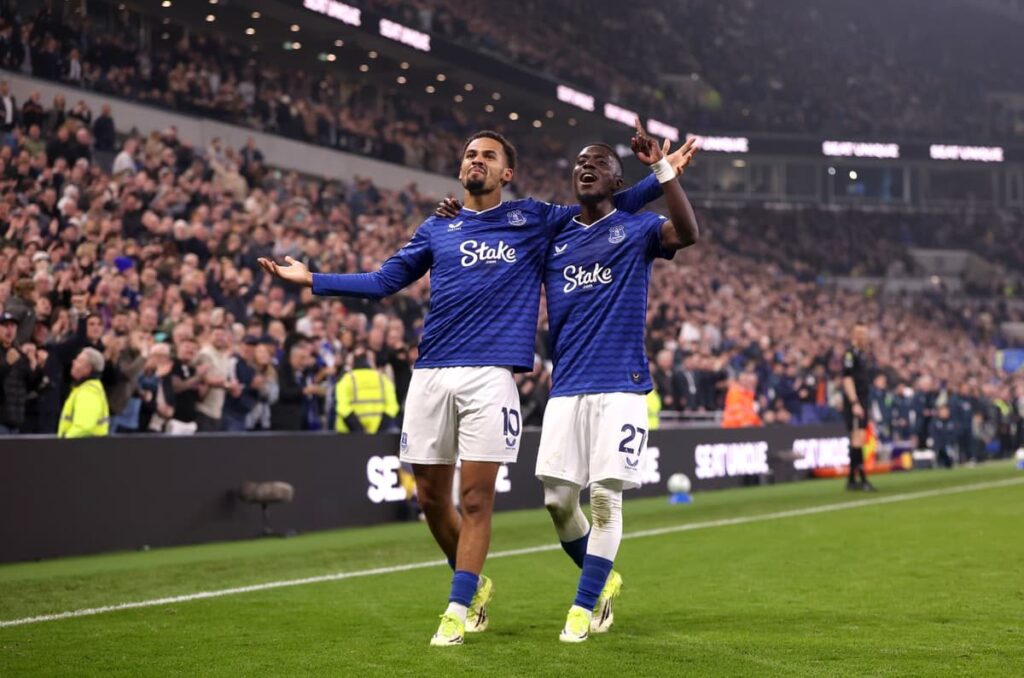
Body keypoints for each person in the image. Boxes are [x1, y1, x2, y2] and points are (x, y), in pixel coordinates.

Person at [258, 129, 685, 646]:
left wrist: (663, 174)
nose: (475, 160)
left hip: (492, 376)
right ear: (461, 170)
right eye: (468, 154)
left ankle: (463, 607)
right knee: (433, 501)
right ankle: (480, 584)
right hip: (432, 371)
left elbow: (602, 205)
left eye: (488, 155)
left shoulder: (532, 218)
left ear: (507, 173)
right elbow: (383, 281)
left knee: (479, 500)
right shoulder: (438, 227)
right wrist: (314, 279)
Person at [533, 122, 699, 642]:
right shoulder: (554, 235)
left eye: (599, 162)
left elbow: (688, 233)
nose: (586, 166)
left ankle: (582, 609)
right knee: (558, 502)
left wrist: (663, 171)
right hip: (566, 386)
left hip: (622, 387)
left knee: (605, 499)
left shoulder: (638, 229)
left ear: (617, 178)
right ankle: (602, 581)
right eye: (581, 161)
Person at [842, 324, 876, 491]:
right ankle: (860, 479)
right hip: (855, 401)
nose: (865, 337)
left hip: (862, 399)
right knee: (857, 438)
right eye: (862, 334)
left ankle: (851, 479)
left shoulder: (862, 355)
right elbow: (847, 379)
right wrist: (854, 402)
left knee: (860, 438)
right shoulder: (850, 354)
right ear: (854, 335)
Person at [333, 347, 400, 433]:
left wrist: (359, 429)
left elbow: (342, 407)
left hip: (349, 436)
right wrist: (379, 429)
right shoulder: (383, 380)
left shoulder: (345, 380)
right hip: (378, 435)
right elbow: (392, 407)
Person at [58, 347, 109, 438]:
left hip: (80, 449)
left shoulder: (89, 392)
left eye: (79, 361)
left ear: (88, 369)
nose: (73, 362)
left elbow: (83, 427)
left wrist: (63, 444)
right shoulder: (84, 388)